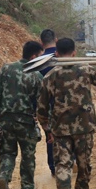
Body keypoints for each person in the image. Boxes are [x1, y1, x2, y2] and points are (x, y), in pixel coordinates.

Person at [37, 38, 96, 189]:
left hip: (61, 129)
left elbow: (41, 107)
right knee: (83, 164)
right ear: (74, 53)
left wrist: (46, 127)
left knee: (63, 165)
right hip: (84, 127)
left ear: (57, 54)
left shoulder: (50, 76)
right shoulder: (85, 69)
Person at [0, 40, 44, 189]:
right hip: (26, 120)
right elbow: (41, 102)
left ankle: (4, 176)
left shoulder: (6, 69)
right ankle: (27, 187)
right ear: (34, 56)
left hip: (6, 119)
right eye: (40, 56)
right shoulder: (36, 75)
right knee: (28, 154)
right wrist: (42, 121)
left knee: (7, 151)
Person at [39, 29, 58, 176]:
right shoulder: (65, 56)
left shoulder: (39, 62)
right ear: (56, 40)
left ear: (41, 43)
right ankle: (71, 162)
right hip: (67, 103)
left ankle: (54, 167)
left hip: (47, 104)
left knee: (51, 136)